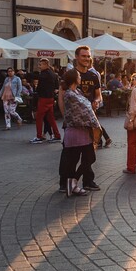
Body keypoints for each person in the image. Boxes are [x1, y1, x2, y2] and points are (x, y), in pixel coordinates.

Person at [58, 68, 101, 196]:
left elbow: (87, 108)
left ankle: (73, 183)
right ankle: (72, 185)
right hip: (76, 132)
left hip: (83, 132)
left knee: (89, 158)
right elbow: (85, 111)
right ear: (74, 79)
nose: (80, 77)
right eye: (78, 76)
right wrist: (97, 126)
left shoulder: (77, 92)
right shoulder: (70, 95)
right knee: (74, 160)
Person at [71, 46, 103, 189]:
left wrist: (97, 101)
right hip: (76, 120)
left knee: (90, 152)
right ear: (77, 57)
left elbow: (98, 94)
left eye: (88, 56)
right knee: (74, 153)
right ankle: (68, 181)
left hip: (91, 118)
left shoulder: (93, 75)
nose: (86, 59)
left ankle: (87, 181)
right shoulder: (72, 74)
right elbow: (63, 95)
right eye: (83, 56)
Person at [30, 58, 61, 143]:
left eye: (40, 65)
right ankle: (57, 135)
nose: (39, 66)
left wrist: (37, 91)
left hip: (43, 98)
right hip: (50, 98)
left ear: (45, 64)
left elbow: (40, 87)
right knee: (51, 118)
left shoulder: (43, 75)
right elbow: (56, 87)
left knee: (39, 118)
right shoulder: (53, 74)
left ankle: (39, 136)